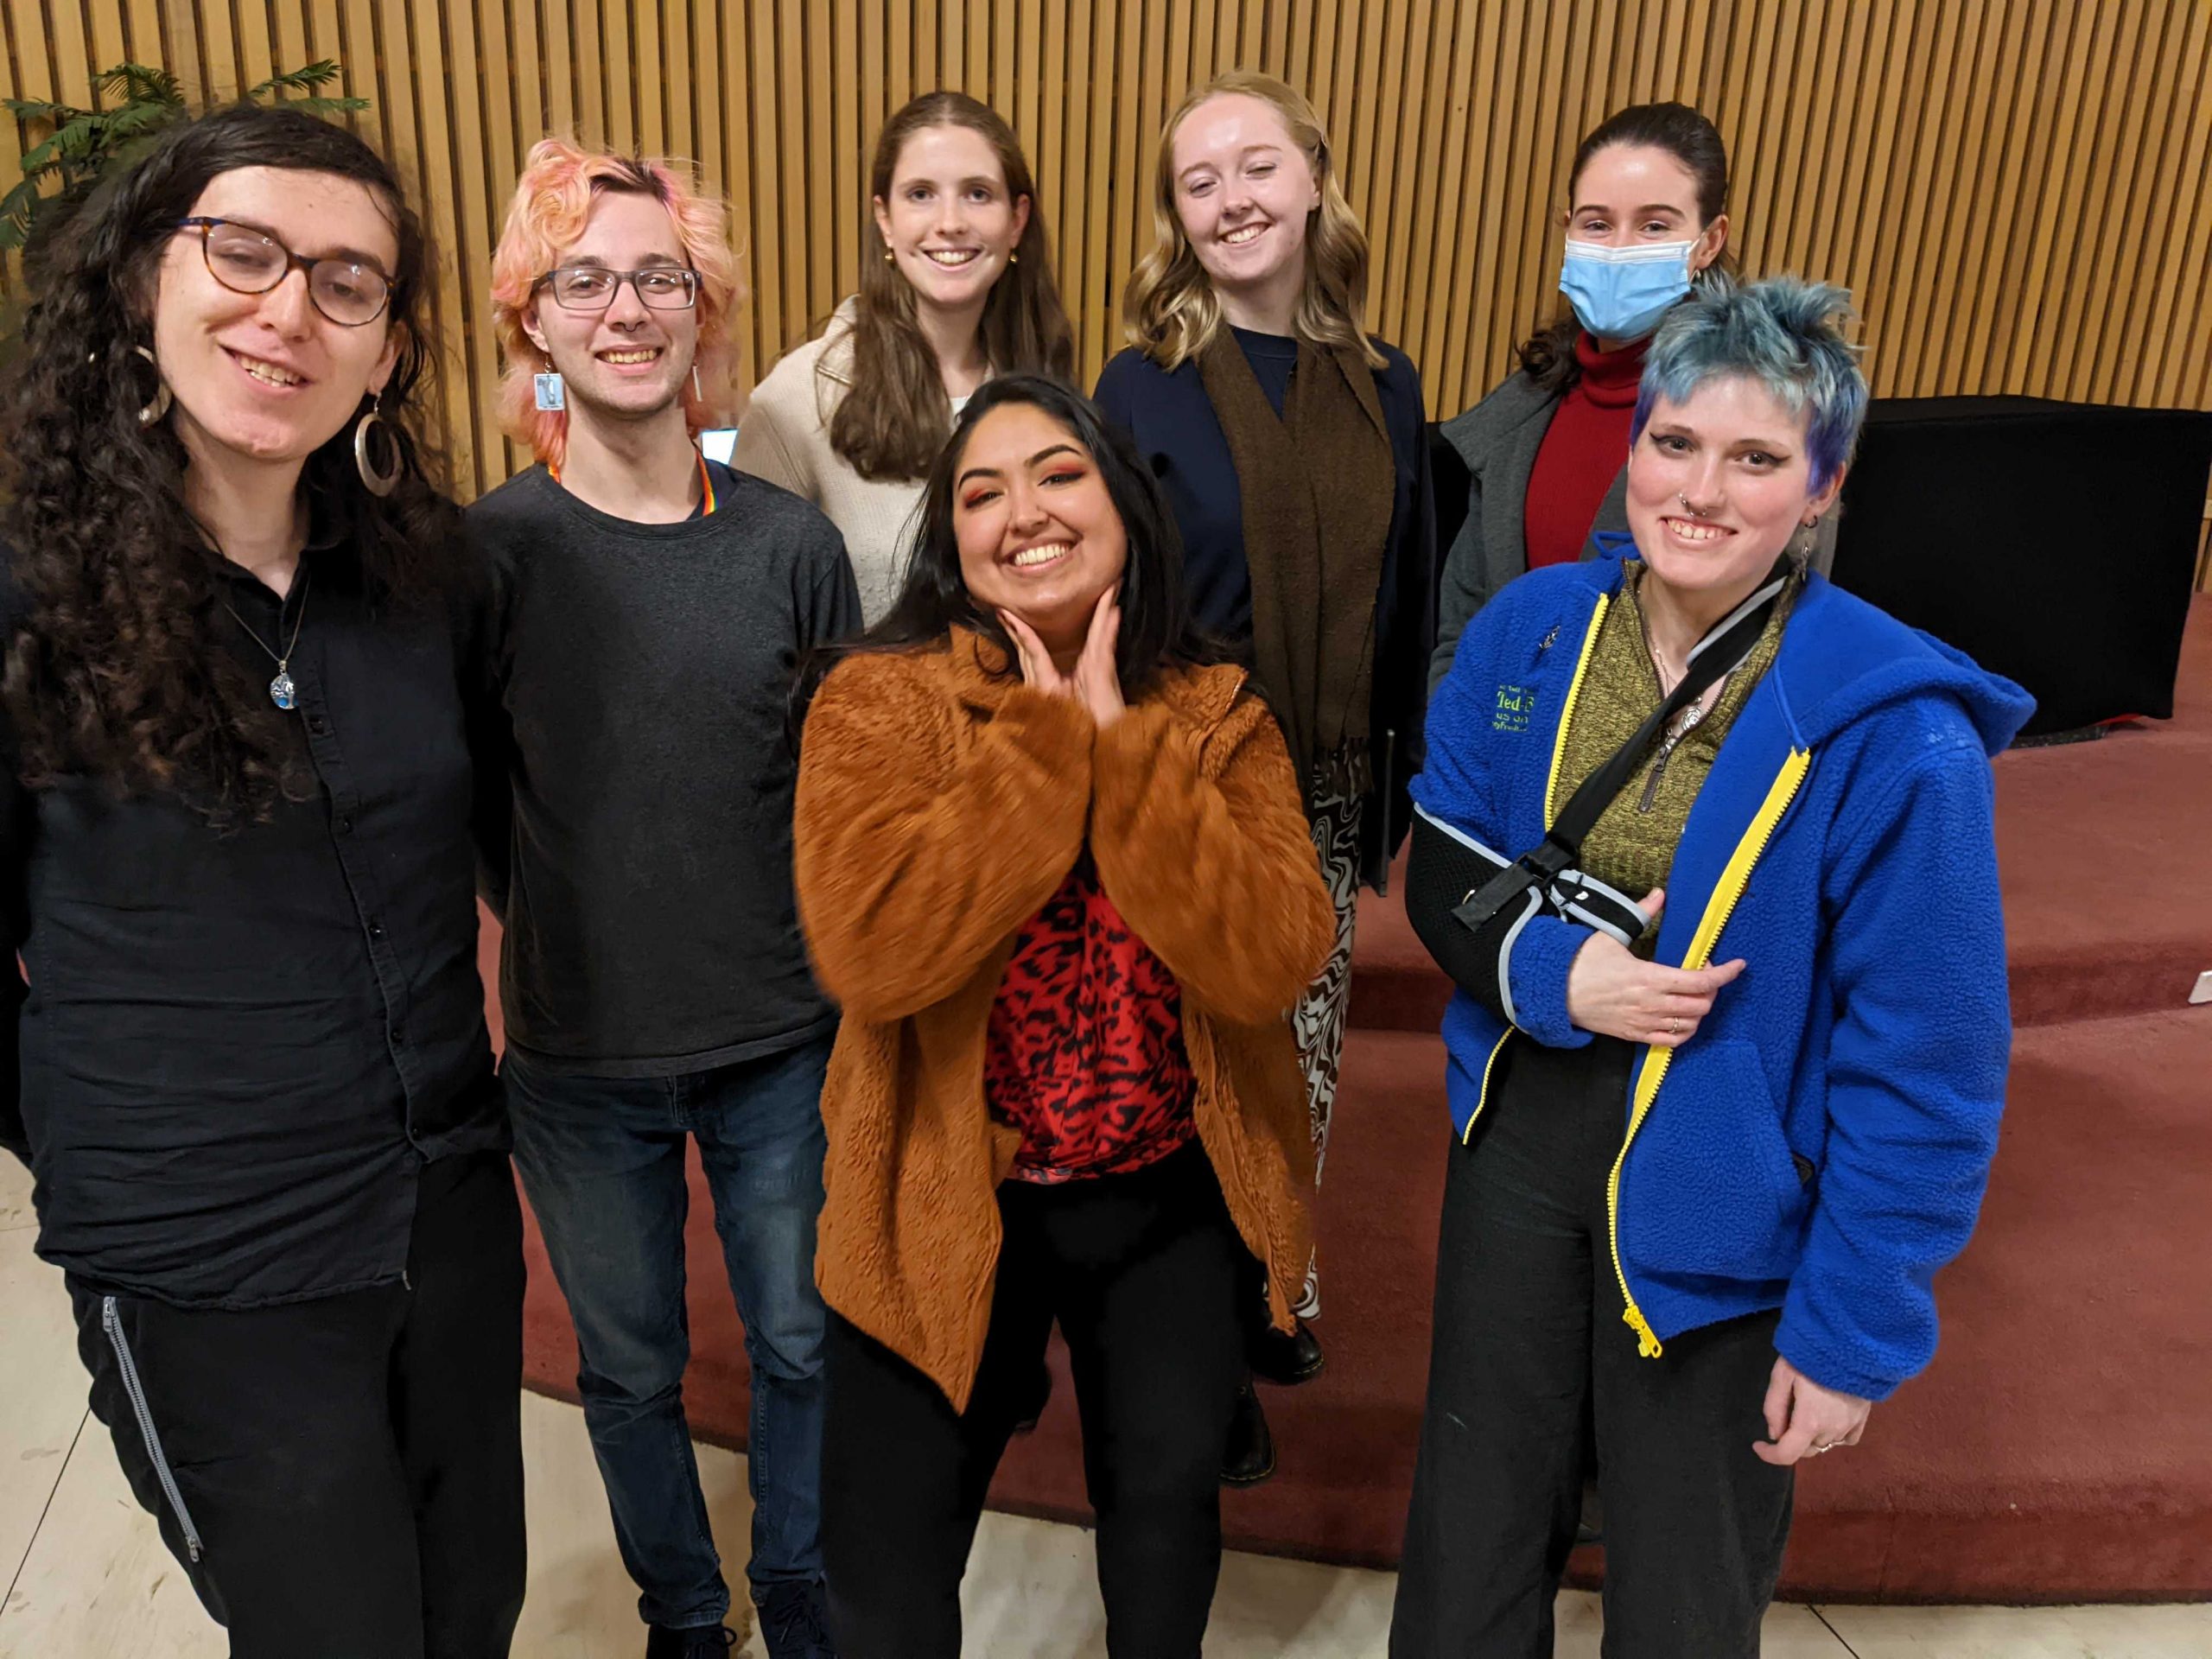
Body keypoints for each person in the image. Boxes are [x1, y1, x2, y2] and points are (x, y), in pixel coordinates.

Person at [1390, 276, 2031, 1657]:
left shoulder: (1893, 730)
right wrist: (1557, 977)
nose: (1699, 489)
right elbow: (1440, 856)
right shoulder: (1533, 629)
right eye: (1675, 443)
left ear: (1822, 485)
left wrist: (1856, 1324)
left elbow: (1929, 1060)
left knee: (1685, 1590)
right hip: (1522, 1133)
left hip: (1731, 1184)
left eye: (1755, 459)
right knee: (1469, 1538)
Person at [0, 105, 523, 1657]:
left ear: (386, 348)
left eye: (347, 280)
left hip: (445, 1206)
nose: (289, 308)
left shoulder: (432, 578)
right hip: (206, 1259)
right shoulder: (32, 595)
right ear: (145, 283)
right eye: (244, 252)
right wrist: (115, 1154)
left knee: (468, 1616)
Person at [791, 374, 1334, 1658]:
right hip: (941, 1189)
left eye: (1057, 474)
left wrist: (1125, 747)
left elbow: (1270, 960)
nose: (1022, 511)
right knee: (883, 1572)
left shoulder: (1215, 715)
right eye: (980, 492)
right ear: (952, 541)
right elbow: (874, 956)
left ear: (1125, 509)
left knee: (1162, 1527)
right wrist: (1043, 748)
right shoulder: (878, 701)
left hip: (1163, 1195)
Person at [474, 139, 858, 1659]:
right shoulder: (489, 558)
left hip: (779, 1031)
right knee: (626, 1369)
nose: (626, 309)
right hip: (578, 1056)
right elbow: (480, 816)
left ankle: (801, 1577)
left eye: (658, 277)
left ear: (704, 311)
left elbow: (839, 794)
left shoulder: (789, 548)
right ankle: (686, 1608)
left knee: (800, 1340)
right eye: (587, 279)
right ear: (539, 322)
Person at [1094, 67, 1435, 1478]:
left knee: (1296, 1081)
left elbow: (1405, 589)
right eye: (1199, 181)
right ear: (1177, 216)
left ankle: (1269, 1282)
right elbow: (1106, 601)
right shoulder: (1142, 382)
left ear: (1312, 180)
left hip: (1334, 791)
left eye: (1256, 167)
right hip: (1192, 795)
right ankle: (1201, 1343)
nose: (1232, 198)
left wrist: (1395, 782)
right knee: (1191, 1087)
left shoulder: (1385, 380)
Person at [1428, 101, 1828, 689]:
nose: (1618, 248)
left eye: (1654, 225)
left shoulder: (1769, 421)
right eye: (1596, 223)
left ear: (1710, 240)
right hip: (1496, 756)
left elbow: (1769, 661)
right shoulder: (1525, 408)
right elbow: (1461, 633)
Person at [734, 91, 1074, 623]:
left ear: (1017, 219)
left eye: (978, 194)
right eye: (920, 194)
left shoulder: (1051, 386)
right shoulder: (796, 400)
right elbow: (749, 619)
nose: (950, 221)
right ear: (885, 220)